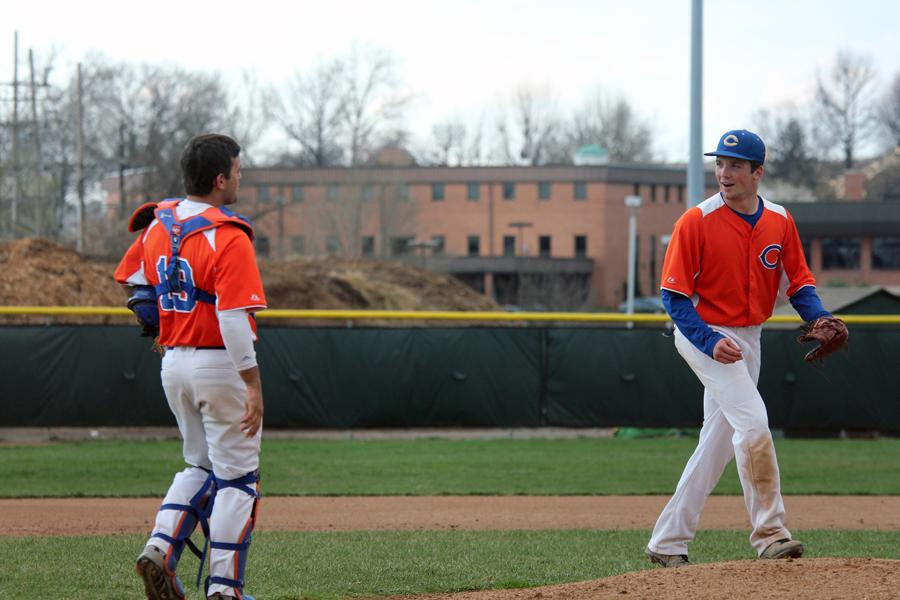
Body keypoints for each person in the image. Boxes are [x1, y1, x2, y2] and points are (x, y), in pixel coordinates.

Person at [646, 129, 833, 567]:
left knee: (716, 444)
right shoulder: (697, 220)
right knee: (753, 423)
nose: (724, 173)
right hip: (703, 332)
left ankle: (667, 541)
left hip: (750, 336)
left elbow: (798, 282)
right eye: (720, 164)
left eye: (734, 165)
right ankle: (770, 534)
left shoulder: (780, 221)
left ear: (757, 172)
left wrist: (819, 317)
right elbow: (673, 297)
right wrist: (709, 341)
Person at [114, 133, 267, 599]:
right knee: (238, 479)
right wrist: (253, 383)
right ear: (220, 179)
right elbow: (233, 319)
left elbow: (136, 289)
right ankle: (224, 589)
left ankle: (160, 546)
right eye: (238, 171)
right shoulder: (228, 234)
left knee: (199, 464)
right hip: (220, 364)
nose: (241, 178)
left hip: (174, 364)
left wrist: (164, 322)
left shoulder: (158, 225)